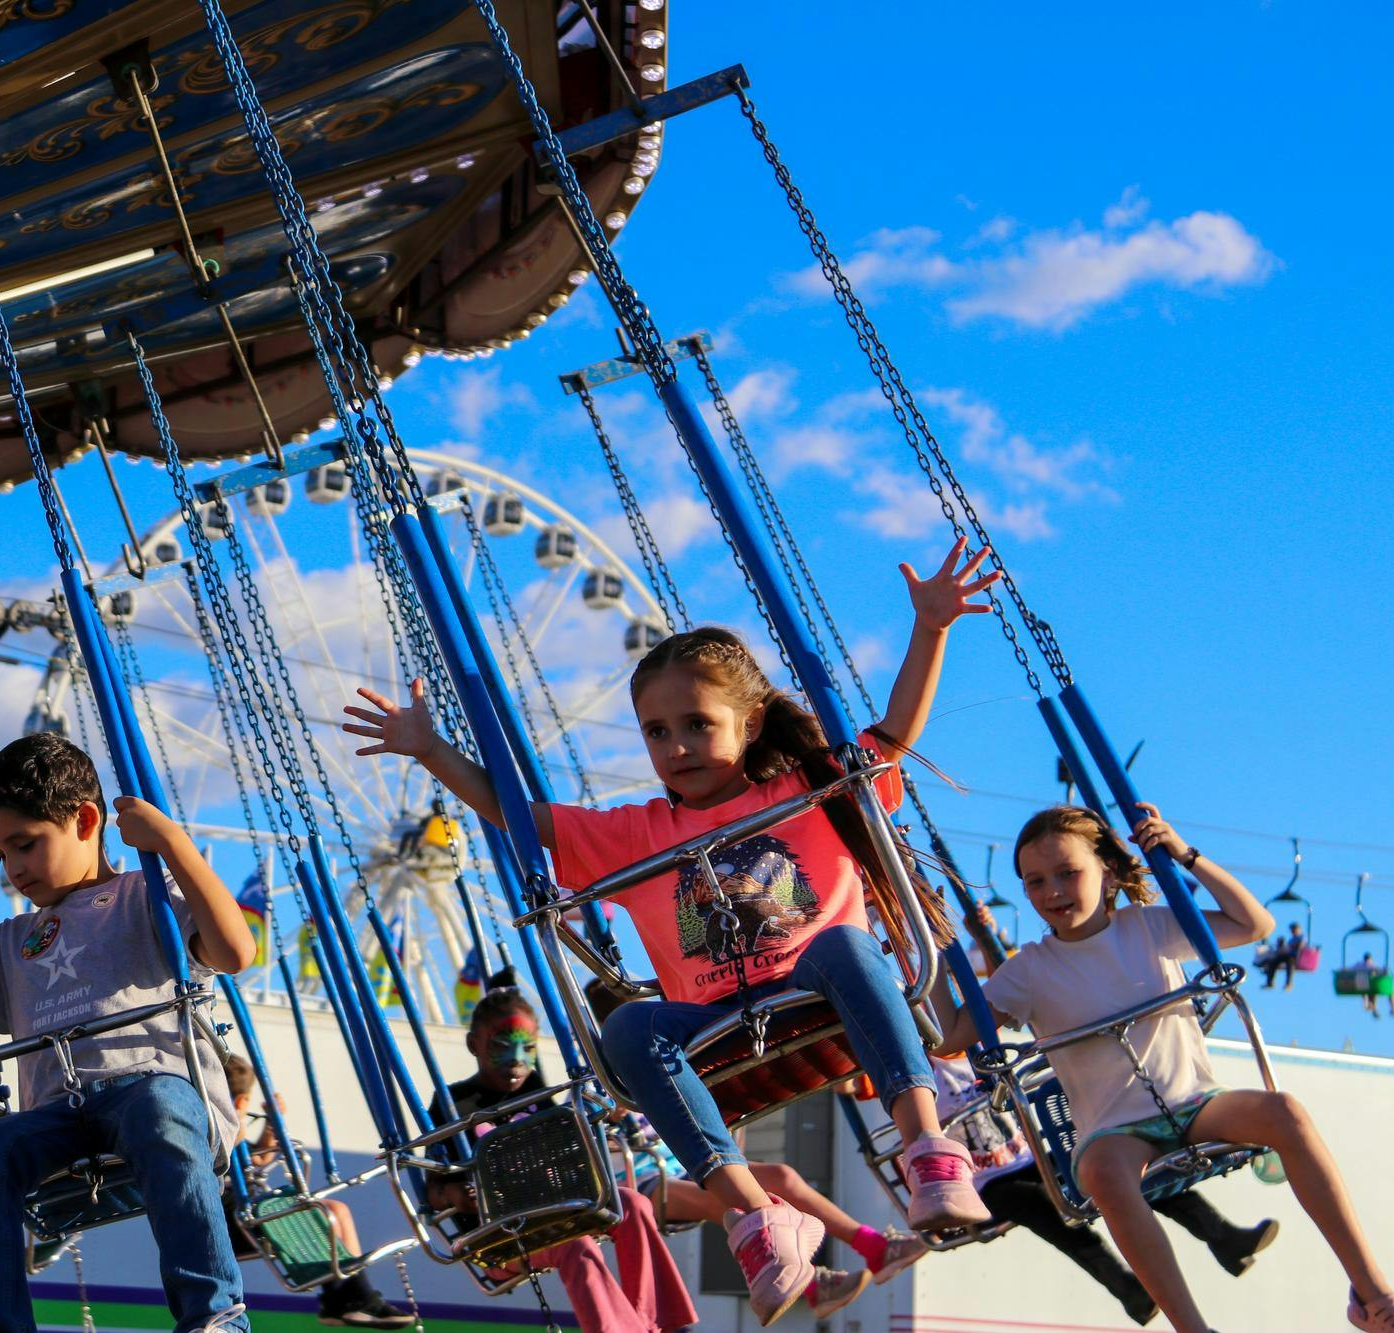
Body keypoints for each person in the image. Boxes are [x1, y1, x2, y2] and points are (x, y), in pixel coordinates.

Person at [346, 536, 1001, 1325]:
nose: (677, 746)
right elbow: (523, 818)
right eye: (657, 732)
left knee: (845, 945)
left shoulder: (810, 788)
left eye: (697, 722)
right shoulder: (639, 832)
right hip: (715, 1021)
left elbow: (890, 735)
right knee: (626, 1026)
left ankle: (928, 1150)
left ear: (752, 722)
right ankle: (755, 1216)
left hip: (812, 990)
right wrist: (431, 751)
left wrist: (931, 628)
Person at [931, 803, 1394, 1333]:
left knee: (1286, 1112)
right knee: (1102, 1171)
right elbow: (954, 1035)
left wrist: (1186, 856)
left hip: (1195, 1102)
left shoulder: (1149, 928)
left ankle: (1374, 1297)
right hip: (1115, 1129)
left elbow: (1254, 924)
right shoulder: (1029, 970)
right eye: (1035, 882)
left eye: (1067, 873)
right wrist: (936, 944)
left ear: (1105, 870)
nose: (1052, 891)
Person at [0, 732, 255, 1333]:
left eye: (24, 845)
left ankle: (214, 1313)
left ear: (86, 820)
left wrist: (174, 844)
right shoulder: (9, 943)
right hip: (58, 1116)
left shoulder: (145, 895)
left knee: (159, 1110)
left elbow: (234, 951)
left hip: (151, 1089)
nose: (13, 869)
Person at [582, 981, 926, 1317]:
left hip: (681, 1166)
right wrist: (614, 1105)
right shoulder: (599, 1075)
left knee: (782, 1176)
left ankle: (874, 1247)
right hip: (637, 1180)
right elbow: (586, 1126)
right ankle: (811, 1285)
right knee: (724, 1200)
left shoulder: (664, 1056)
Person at [928, 1056, 1278, 1327]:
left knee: (1118, 1168)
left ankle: (1223, 1237)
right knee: (1039, 1206)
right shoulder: (916, 1073)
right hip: (987, 1182)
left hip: (1027, 1156)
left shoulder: (971, 1054)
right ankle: (1129, 1288)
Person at [433, 988, 697, 1333]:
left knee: (631, 1201)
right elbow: (434, 1190)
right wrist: (455, 1195)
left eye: (527, 1048)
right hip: (500, 1238)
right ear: (474, 1045)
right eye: (501, 1046)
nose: (516, 1059)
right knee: (574, 1244)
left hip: (555, 1213)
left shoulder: (539, 1096)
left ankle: (664, 1321)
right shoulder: (454, 1104)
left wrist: (601, 1119)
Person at [217, 1056, 412, 1328]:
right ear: (239, 1103)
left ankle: (341, 1298)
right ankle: (357, 1298)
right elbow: (236, 1149)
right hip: (232, 1222)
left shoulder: (226, 1131)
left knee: (337, 1211)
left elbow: (258, 1158)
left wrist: (274, 1121)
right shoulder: (215, 1131)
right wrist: (234, 1118)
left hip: (252, 1213)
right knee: (326, 1213)